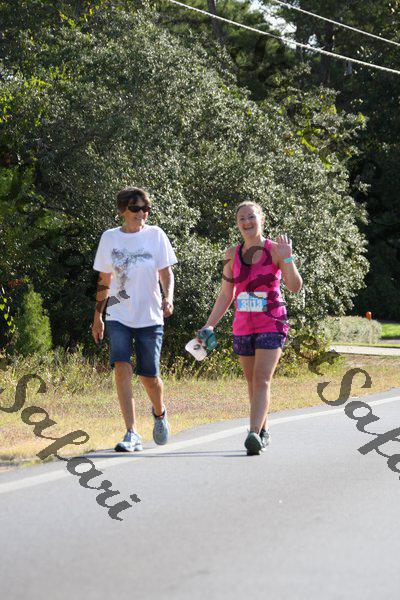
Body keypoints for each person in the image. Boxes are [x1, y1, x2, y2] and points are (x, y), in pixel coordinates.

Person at [197, 201, 303, 455]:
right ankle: (263, 431)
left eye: (251, 217)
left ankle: (253, 433)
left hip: (272, 323)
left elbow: (294, 286)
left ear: (261, 220)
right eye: (242, 218)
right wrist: (209, 325)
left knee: (262, 378)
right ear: (237, 224)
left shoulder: (276, 250)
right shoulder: (231, 254)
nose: (247, 222)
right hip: (243, 325)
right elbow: (226, 295)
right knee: (252, 382)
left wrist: (288, 258)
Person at [91, 187, 177, 452]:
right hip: (118, 313)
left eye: (145, 209)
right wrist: (98, 316)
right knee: (121, 366)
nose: (142, 213)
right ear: (122, 210)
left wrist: (168, 297)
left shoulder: (156, 235)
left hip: (150, 316)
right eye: (136, 208)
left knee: (149, 376)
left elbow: (166, 274)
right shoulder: (110, 238)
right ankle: (132, 432)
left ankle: (160, 413)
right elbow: (104, 281)